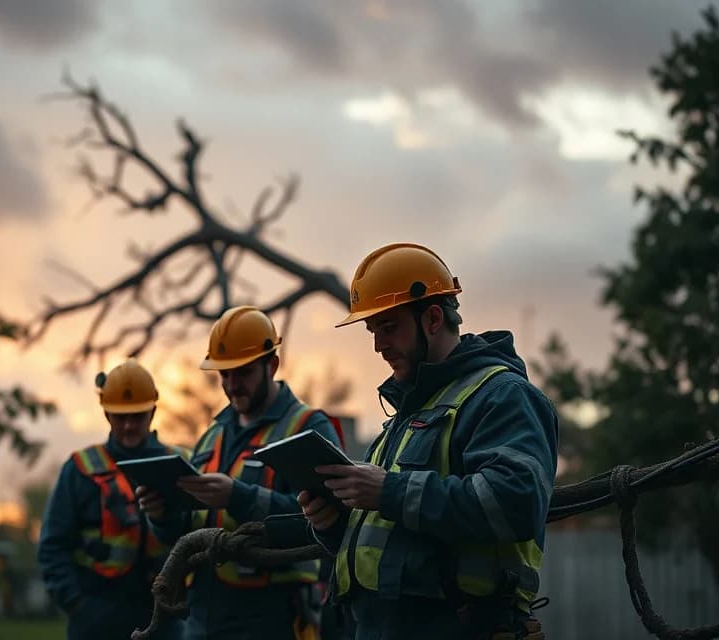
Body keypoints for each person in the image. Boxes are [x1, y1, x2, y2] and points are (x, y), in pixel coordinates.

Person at [299, 243, 558, 640]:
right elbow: (388, 540)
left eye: (389, 327)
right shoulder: (405, 416)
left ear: (433, 318)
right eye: (373, 331)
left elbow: (516, 502)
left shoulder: (502, 395)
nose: (377, 345)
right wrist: (335, 524)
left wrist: (387, 489)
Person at [137, 305, 345, 640]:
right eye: (224, 374)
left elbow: (327, 524)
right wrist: (161, 515)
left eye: (242, 372)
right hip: (201, 616)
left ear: (272, 365)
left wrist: (238, 496)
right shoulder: (213, 434)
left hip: (273, 616)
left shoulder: (308, 428)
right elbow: (186, 533)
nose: (232, 385)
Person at [37, 358, 188, 640]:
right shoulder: (79, 469)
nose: (129, 425)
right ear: (106, 414)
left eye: (138, 416)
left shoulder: (179, 463)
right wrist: (77, 604)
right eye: (120, 416)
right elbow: (52, 546)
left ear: (152, 412)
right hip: (96, 617)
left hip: (164, 617)